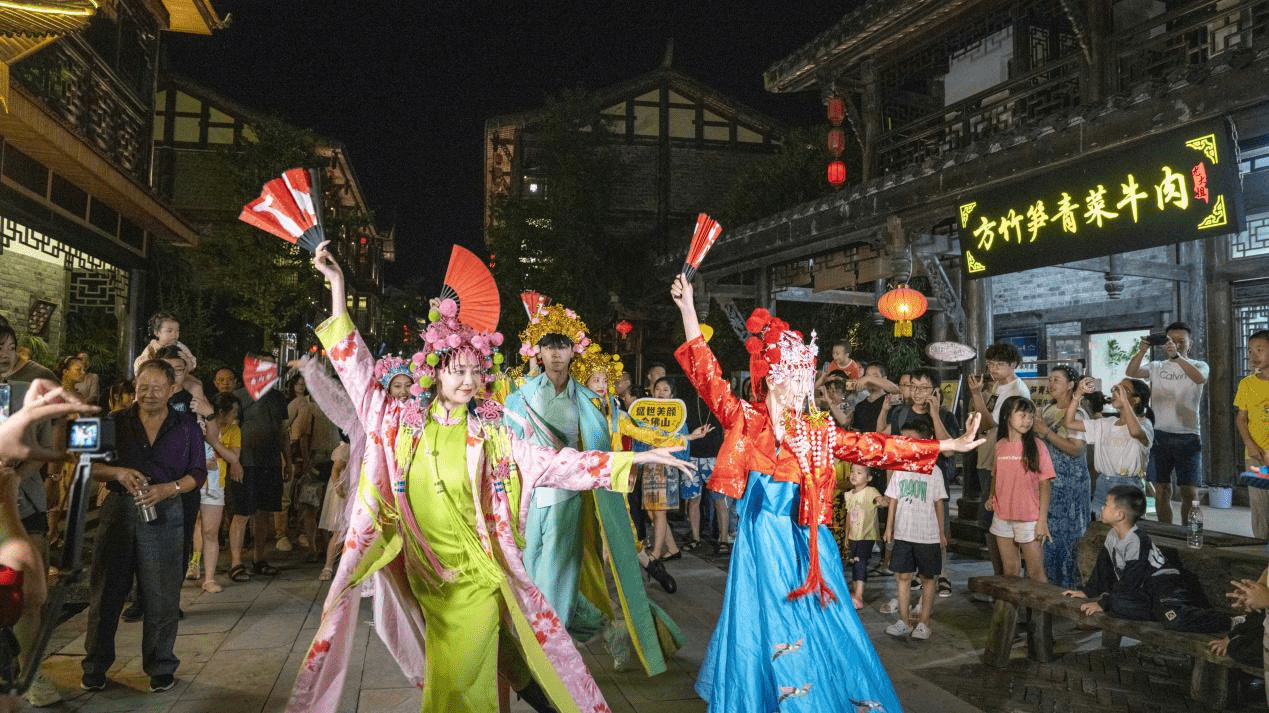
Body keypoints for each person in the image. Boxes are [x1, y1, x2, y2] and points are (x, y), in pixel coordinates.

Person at [288, 241, 693, 713]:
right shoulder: (397, 422)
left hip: (476, 575)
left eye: (475, 371)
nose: (467, 380)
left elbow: (557, 462)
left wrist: (635, 462)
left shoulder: (492, 433)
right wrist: (337, 286)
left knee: (458, 678)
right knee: (465, 664)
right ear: (436, 372)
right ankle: (540, 694)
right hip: (427, 575)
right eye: (457, 370)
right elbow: (353, 365)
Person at [670, 274, 983, 712]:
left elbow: (873, 447)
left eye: (805, 379)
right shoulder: (745, 419)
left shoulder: (816, 431)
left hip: (804, 538)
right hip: (760, 538)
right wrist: (688, 311)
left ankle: (814, 695)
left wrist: (946, 445)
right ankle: (765, 696)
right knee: (762, 616)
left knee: (818, 618)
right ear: (774, 377)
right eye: (795, 378)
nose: (803, 388)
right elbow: (706, 373)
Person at [505, 303, 684, 669]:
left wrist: (658, 447)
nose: (556, 355)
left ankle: (549, 662)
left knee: (553, 579)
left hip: (569, 496)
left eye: (563, 346)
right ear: (538, 351)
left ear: (573, 351)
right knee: (528, 578)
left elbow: (605, 447)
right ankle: (606, 628)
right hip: (528, 499)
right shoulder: (518, 396)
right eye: (549, 346)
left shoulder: (589, 401)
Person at [83, 359, 207, 693]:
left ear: (171, 389)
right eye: (142, 387)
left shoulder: (187, 427)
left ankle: (160, 666)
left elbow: (198, 473)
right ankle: (94, 666)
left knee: (163, 595)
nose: (148, 394)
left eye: (156, 388)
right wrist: (117, 473)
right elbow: (87, 464)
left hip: (165, 513)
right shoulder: (113, 421)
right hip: (119, 510)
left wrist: (169, 488)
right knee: (106, 591)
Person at [1064, 485, 1228, 633]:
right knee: (1118, 604)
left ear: (1120, 514)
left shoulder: (1136, 540)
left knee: (1173, 620)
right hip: (1145, 591)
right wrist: (1087, 592)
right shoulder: (1112, 535)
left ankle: (1228, 622)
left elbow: (1131, 581)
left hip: (1165, 584)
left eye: (1106, 504)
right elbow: (1102, 570)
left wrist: (1103, 603)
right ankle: (1160, 610)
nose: (1102, 507)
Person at [1126, 322, 1209, 526]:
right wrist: (1143, 350)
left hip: (1189, 435)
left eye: (1182, 341)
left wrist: (1177, 358)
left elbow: (1199, 379)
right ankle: (1167, 534)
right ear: (1164, 343)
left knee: (1190, 491)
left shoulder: (1199, 365)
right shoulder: (1156, 366)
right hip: (1159, 435)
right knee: (1162, 489)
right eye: (1172, 340)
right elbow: (1132, 372)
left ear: (1189, 343)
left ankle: (1187, 533)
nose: (1177, 344)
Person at [881, 420, 946, 639]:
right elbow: (893, 500)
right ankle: (905, 621)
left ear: (925, 442)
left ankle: (924, 623)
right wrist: (889, 528)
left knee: (928, 579)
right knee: (903, 577)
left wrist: (941, 533)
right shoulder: (900, 469)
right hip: (903, 533)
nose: (905, 444)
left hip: (927, 535)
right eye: (902, 440)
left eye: (911, 440)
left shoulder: (934, 471)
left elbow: (939, 503)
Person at [227, 354, 289, 583]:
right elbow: (229, 431)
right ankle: (236, 563)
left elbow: (283, 432)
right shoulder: (240, 396)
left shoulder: (278, 398)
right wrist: (234, 462)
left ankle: (259, 558)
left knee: (264, 513)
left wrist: (288, 461)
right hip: (245, 463)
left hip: (270, 462)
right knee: (242, 513)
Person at [1033, 365, 1091, 588]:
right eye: (1050, 380)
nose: (1050, 384)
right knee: (1048, 536)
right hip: (1048, 483)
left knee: (1070, 538)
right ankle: (1049, 587)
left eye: (1056, 380)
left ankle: (1071, 588)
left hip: (1071, 484)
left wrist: (1046, 431)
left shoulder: (1077, 413)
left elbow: (1076, 449)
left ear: (1070, 385)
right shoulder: (1047, 409)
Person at [985, 396, 1054, 584]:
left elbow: (1045, 484)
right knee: (1010, 570)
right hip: (1002, 517)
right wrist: (992, 496)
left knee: (1036, 573)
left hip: (1029, 519)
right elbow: (995, 475)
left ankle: (1039, 613)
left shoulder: (1038, 446)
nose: (1028, 420)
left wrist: (1042, 520)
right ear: (1008, 416)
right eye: (1022, 415)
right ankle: (1009, 614)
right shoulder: (1000, 445)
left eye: (1030, 416)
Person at [1066, 377, 1153, 515]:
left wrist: (1124, 402)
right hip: (1102, 484)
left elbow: (1136, 432)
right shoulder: (1105, 423)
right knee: (1100, 531)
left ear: (1135, 400)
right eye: (1116, 389)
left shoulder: (1144, 424)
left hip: (1128, 486)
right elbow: (1070, 422)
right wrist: (1077, 395)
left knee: (1123, 531)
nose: (1116, 393)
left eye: (1123, 390)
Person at [196, 392, 241, 593]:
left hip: (215, 486)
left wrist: (214, 442)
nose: (236, 415)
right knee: (193, 526)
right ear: (221, 412)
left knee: (211, 531)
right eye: (234, 411)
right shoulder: (198, 425)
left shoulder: (234, 430)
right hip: (193, 482)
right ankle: (193, 564)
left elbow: (233, 457)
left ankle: (209, 578)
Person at [1236, 330, 1269, 538]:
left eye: (1260, 350)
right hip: (1256, 456)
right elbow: (1241, 419)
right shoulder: (1247, 384)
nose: (1253, 355)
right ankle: (1262, 560)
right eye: (1250, 350)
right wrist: (1250, 445)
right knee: (1260, 509)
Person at [841, 463, 884, 610]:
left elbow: (882, 501)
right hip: (853, 535)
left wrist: (887, 500)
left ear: (869, 477)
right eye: (852, 471)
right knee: (854, 562)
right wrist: (846, 534)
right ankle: (856, 594)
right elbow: (848, 515)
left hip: (866, 536)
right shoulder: (848, 494)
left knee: (860, 561)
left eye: (859, 472)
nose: (854, 475)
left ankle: (858, 596)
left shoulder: (871, 491)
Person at [131, 312, 195, 378]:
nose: (174, 334)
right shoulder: (151, 349)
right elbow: (139, 368)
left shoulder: (180, 347)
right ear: (157, 332)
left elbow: (192, 366)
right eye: (169, 331)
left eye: (177, 331)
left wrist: (187, 361)